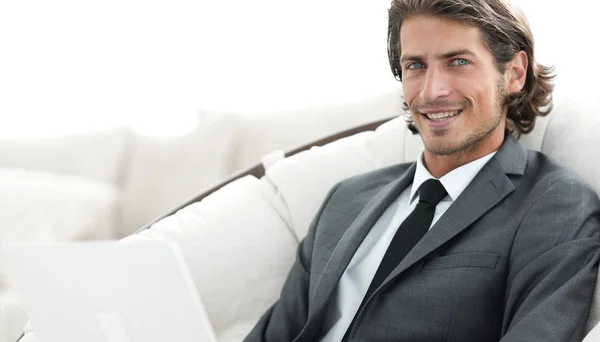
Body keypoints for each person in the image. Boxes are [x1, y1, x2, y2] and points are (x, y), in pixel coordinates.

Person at [244, 0, 600, 341]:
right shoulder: (346, 199)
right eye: (415, 65)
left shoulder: (555, 205)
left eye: (458, 62)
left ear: (514, 73)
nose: (431, 91)